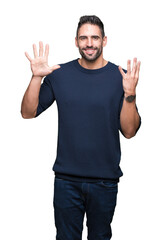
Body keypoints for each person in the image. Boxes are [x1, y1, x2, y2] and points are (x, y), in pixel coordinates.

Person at [21, 15, 141, 240]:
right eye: (83, 38)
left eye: (95, 38)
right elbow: (28, 112)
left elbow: (129, 131)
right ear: (76, 41)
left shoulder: (121, 78)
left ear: (104, 41)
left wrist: (130, 94)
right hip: (67, 181)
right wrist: (36, 77)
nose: (89, 43)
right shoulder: (60, 74)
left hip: (105, 181)